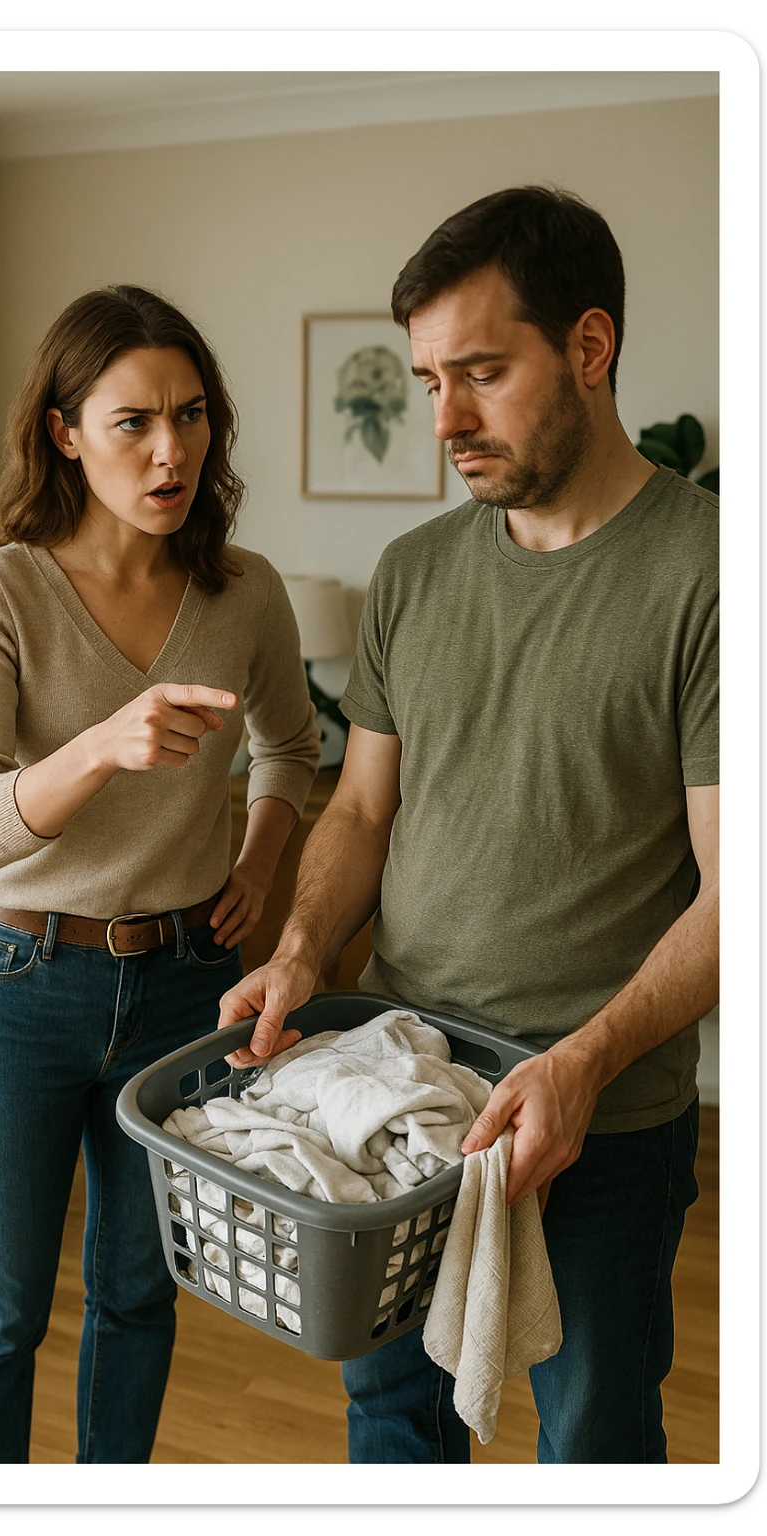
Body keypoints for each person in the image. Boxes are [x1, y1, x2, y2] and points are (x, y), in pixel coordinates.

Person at [218, 186, 719, 1465]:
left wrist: (583, 1062)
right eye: (426, 379)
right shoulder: (415, 573)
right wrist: (296, 949)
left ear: (590, 350)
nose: (442, 419)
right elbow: (361, 809)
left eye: (481, 374)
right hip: (405, 1093)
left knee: (593, 1441)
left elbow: (738, 896)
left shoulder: (713, 575)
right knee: (393, 1426)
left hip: (594, 1121)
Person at [0, 284, 320, 1464]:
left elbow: (291, 747)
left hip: (182, 984)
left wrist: (260, 851)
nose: (172, 452)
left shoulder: (243, 588)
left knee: (140, 1299)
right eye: (134, 423)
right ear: (63, 431)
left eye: (192, 417)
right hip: (17, 987)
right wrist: (103, 744)